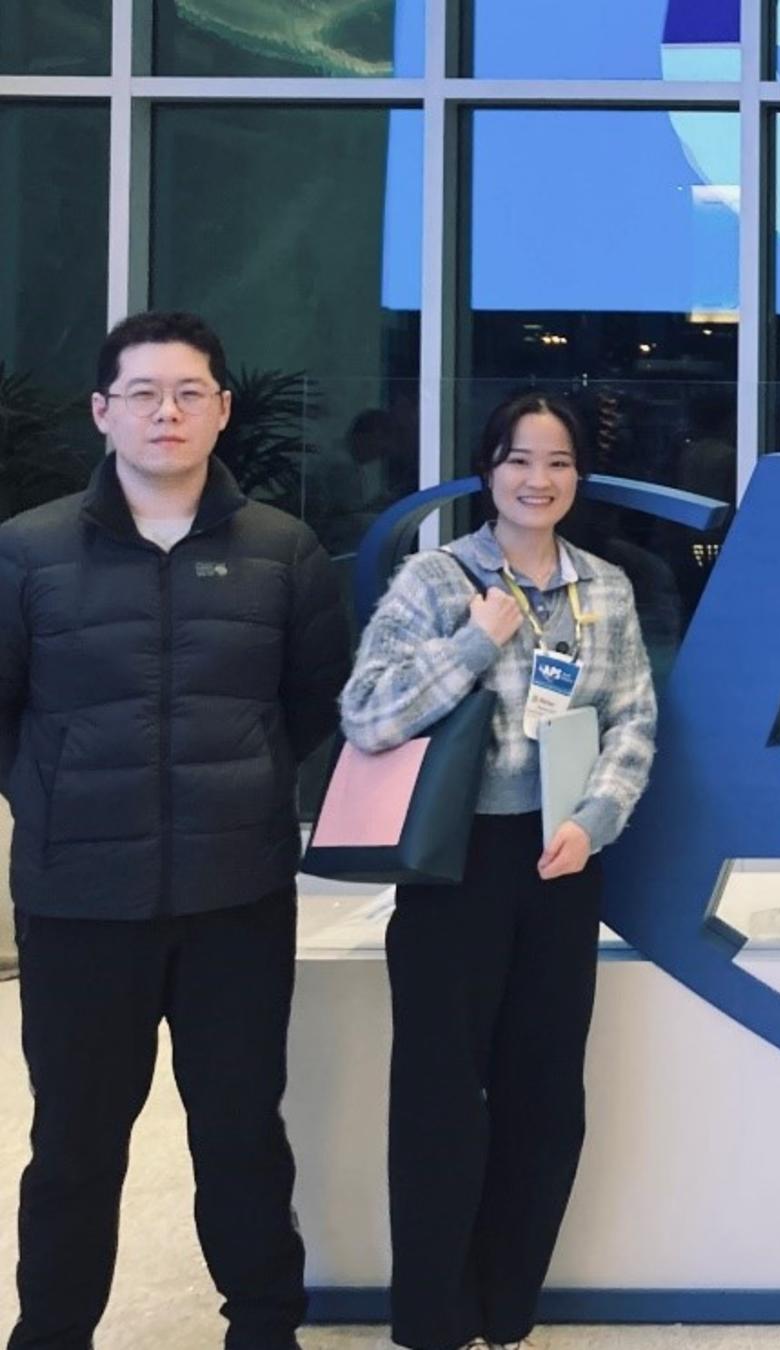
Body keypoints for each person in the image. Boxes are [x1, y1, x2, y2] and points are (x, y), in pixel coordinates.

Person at [0, 310, 350, 1350]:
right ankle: (52, 1333)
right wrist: (58, 795)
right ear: (104, 411)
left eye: (190, 392)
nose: (167, 411)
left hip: (236, 897)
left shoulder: (283, 552)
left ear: (222, 411)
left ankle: (264, 1327)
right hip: (78, 903)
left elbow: (312, 703)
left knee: (242, 1133)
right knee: (74, 1144)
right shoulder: (27, 551)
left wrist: (235, 795)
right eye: (144, 393)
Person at [339, 392, 659, 1350]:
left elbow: (634, 718)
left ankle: (508, 1306)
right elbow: (366, 713)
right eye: (520, 459)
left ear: (577, 478)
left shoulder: (604, 587)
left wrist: (596, 820)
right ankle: (434, 1317)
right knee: (441, 1096)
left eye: (558, 462)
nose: (538, 479)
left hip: (560, 865)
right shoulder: (436, 581)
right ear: (489, 469)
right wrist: (476, 638)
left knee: (546, 1094)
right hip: (451, 869)